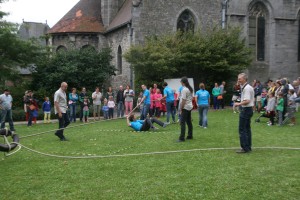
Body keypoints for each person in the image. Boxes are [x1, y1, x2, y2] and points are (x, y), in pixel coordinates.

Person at [234, 73, 254, 153]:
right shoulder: (246, 87)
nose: (238, 80)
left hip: (246, 110)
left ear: (245, 79)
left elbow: (247, 101)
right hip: (248, 110)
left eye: (240, 79)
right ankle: (248, 147)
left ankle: (245, 148)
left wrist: (238, 104)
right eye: (238, 78)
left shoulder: (247, 88)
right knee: (247, 129)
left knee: (242, 129)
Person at [178, 77, 194, 142]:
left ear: (183, 82)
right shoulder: (190, 89)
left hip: (185, 107)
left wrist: (181, 108)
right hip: (189, 107)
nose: (181, 83)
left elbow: (183, 100)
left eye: (181, 82)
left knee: (182, 122)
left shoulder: (184, 89)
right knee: (189, 122)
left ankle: (182, 138)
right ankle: (190, 135)